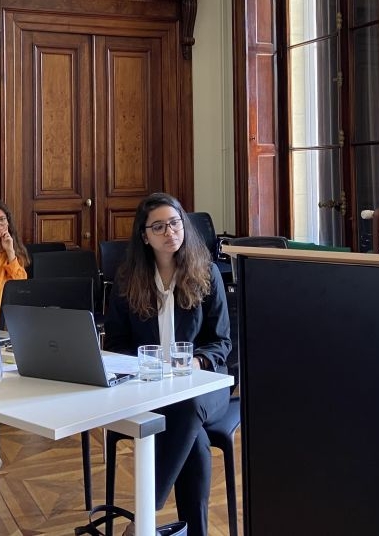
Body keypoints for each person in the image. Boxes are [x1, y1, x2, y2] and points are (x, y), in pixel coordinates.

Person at [104, 192, 231, 536]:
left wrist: (196, 361)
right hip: (151, 387)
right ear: (145, 236)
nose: (170, 232)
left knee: (187, 407)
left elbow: (222, 343)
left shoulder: (205, 273)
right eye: (158, 227)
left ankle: (142, 521)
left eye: (175, 223)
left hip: (205, 385)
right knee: (196, 443)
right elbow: (114, 345)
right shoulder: (129, 280)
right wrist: (144, 368)